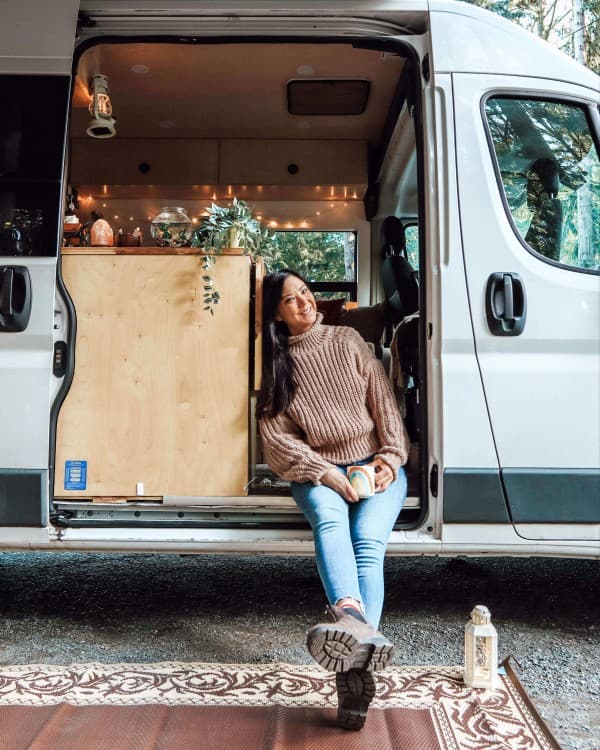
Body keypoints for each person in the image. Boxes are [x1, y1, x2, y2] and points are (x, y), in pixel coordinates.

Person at [256, 269, 410, 730]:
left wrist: (389, 459)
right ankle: (354, 627)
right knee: (330, 520)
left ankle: (352, 651)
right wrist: (324, 472)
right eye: (290, 300)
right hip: (318, 471)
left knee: (368, 542)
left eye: (305, 293)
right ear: (276, 315)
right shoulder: (277, 362)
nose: (304, 303)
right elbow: (276, 439)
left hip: (374, 466)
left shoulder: (347, 340)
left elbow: (385, 404)